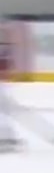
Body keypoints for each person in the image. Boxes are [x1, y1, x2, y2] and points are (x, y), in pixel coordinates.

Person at [0, 23, 22, 152]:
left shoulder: (6, 49)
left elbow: (8, 66)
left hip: (2, 83)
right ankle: (6, 137)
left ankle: (6, 137)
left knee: (4, 110)